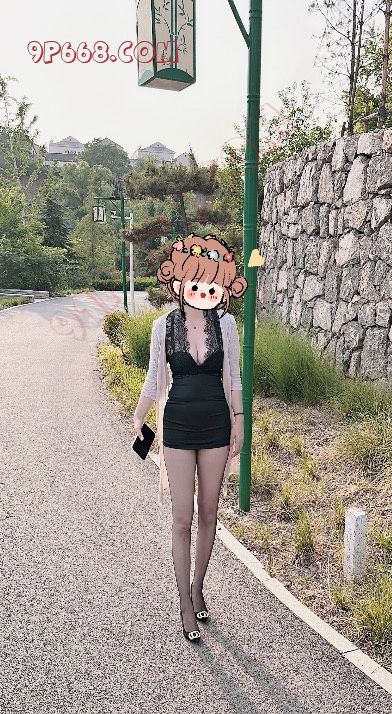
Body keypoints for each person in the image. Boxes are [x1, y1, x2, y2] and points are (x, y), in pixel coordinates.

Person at [133, 233, 248, 643]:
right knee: (182, 518)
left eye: (210, 283)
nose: (202, 289)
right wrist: (139, 415)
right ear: (178, 281)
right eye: (195, 281)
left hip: (217, 425)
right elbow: (153, 378)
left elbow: (233, 377)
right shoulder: (163, 326)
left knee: (209, 513)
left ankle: (198, 585)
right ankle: (184, 601)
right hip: (178, 428)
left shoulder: (226, 325)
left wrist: (239, 420)